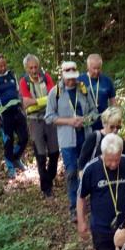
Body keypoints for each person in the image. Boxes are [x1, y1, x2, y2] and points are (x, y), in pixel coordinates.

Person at [46, 60, 94, 221]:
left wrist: (85, 120)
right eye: (68, 75)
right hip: (67, 140)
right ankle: (74, 207)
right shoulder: (55, 93)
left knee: (87, 170)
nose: (71, 79)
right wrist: (69, 121)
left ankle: (89, 202)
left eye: (74, 74)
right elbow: (49, 117)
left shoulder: (84, 89)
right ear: (62, 74)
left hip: (85, 137)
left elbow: (94, 112)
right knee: (72, 171)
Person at [20, 54, 59, 197]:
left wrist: (35, 101)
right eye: (31, 68)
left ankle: (50, 176)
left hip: (50, 118)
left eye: (36, 67)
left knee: (55, 152)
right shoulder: (24, 82)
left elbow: (54, 95)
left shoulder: (46, 77)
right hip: (34, 120)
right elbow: (26, 103)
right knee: (41, 155)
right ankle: (46, 188)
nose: (34, 70)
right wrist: (44, 100)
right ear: (26, 68)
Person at [0, 52, 29, 178]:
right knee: (8, 141)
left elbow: (18, 92)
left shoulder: (11, 74)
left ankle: (15, 158)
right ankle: (10, 167)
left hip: (17, 111)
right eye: (0, 66)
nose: (3, 68)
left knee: (24, 137)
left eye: (4, 65)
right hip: (3, 115)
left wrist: (23, 108)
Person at [78, 53, 116, 131]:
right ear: (88, 67)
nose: (96, 71)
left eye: (99, 68)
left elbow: (113, 103)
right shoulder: (79, 81)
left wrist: (114, 118)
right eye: (94, 68)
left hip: (104, 124)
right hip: (85, 124)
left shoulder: (107, 81)